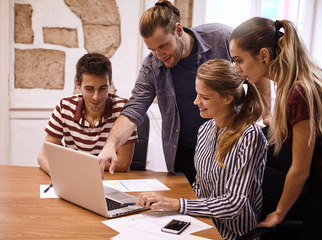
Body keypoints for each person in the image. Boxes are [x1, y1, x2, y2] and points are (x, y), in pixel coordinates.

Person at [98, 0, 234, 184]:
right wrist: (111, 144)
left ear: (178, 30)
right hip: (184, 151)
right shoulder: (152, 65)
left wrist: (266, 113)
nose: (159, 55)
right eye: (152, 49)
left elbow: (254, 61)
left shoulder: (221, 37)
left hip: (228, 145)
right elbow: (133, 111)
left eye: (162, 46)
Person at [137, 59, 268, 240]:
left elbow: (234, 204)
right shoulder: (205, 129)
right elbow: (201, 186)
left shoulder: (249, 136)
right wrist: (173, 208)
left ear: (228, 98)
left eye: (205, 97)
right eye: (197, 94)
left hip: (232, 234)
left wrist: (177, 204)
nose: (196, 101)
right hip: (202, 223)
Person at [229, 17, 322, 239]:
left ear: (263, 55)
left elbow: (300, 169)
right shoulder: (288, 82)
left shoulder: (299, 92)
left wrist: (278, 214)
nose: (236, 68)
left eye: (239, 60)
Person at [37, 53, 138, 176]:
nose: (96, 97)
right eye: (89, 89)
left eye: (103, 88)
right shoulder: (64, 107)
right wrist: (58, 176)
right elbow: (43, 156)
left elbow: (123, 164)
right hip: (73, 178)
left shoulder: (123, 110)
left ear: (110, 83)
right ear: (78, 84)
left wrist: (76, 165)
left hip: (110, 180)